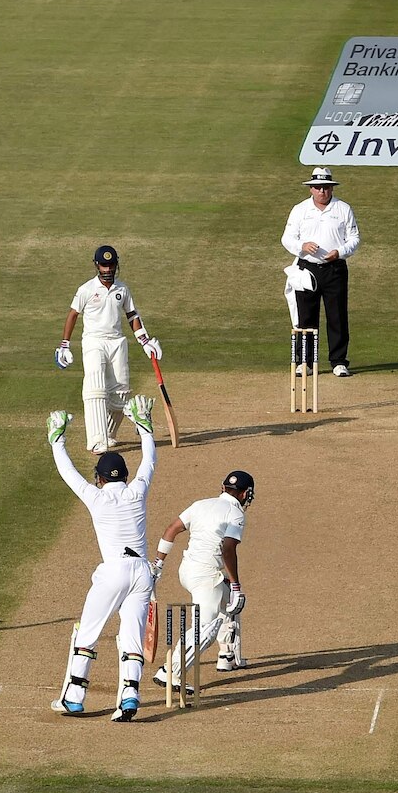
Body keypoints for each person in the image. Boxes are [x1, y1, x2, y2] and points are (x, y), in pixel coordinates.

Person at [47, 396, 158, 722]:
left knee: (88, 633)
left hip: (113, 572)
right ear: (123, 475)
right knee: (131, 636)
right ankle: (129, 697)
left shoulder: (95, 497)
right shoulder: (138, 490)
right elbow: (149, 461)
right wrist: (143, 427)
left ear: (100, 478)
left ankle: (74, 698)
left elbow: (68, 472)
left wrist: (58, 438)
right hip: (142, 572)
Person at [54, 245, 164, 454]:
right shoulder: (86, 289)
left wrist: (144, 340)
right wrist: (64, 345)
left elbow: (132, 315)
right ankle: (96, 440)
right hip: (94, 341)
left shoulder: (122, 290)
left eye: (111, 265)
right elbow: (73, 314)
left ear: (116, 265)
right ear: (97, 265)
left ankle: (109, 434)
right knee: (95, 386)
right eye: (104, 265)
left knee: (121, 391)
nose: (107, 269)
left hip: (117, 342)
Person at [150, 471, 254, 690]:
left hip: (187, 571)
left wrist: (158, 564)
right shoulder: (236, 515)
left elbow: (172, 530)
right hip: (206, 577)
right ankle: (171, 671)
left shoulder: (200, 504)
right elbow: (228, 549)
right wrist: (236, 584)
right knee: (205, 628)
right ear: (245, 494)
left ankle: (228, 656)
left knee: (230, 603)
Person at [282, 167, 360, 377]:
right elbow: (287, 238)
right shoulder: (300, 210)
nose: (322, 191)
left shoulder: (343, 209)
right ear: (311, 189)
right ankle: (305, 363)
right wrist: (302, 247)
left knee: (337, 315)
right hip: (306, 269)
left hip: (334, 268)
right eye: (317, 187)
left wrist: (340, 252)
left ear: (331, 188)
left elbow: (354, 238)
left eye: (326, 187)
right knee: (305, 316)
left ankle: (339, 361)